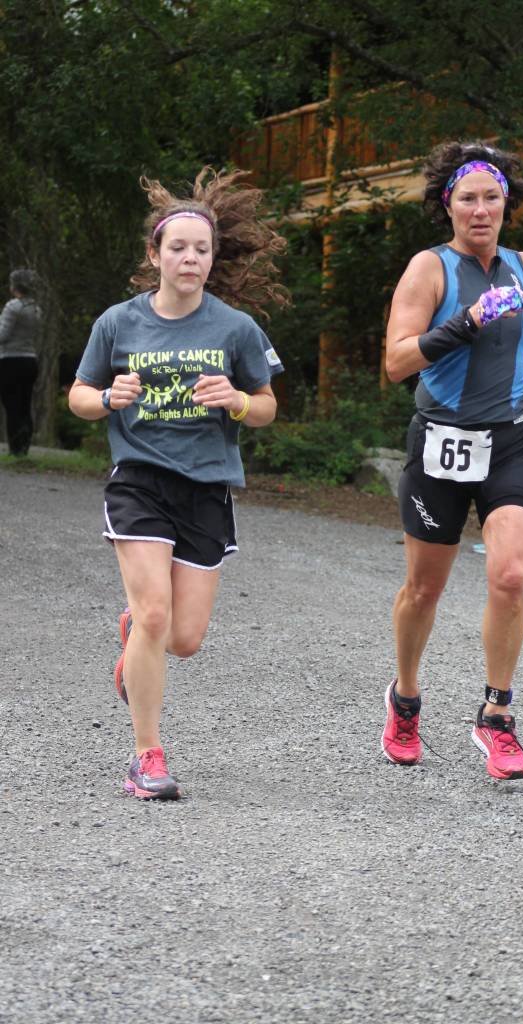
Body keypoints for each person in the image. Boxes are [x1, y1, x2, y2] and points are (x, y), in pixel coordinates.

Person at [69, 168, 287, 799]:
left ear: (213, 258)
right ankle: (147, 755)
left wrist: (238, 401)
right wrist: (109, 395)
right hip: (138, 481)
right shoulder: (118, 322)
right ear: (155, 255)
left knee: (183, 639)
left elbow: (269, 405)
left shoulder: (236, 329)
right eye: (178, 247)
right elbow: (79, 395)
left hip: (207, 488)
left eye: (202, 248)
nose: (190, 258)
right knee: (157, 614)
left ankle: (138, 636)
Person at [381, 140, 523, 779]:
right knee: (424, 588)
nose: (481, 209)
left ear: (507, 206)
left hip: (510, 439)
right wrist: (464, 321)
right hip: (440, 440)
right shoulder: (428, 269)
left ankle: (496, 717)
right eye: (468, 198)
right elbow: (396, 361)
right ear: (449, 206)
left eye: (492, 198)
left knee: (511, 576)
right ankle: (406, 697)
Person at [0, 269, 42, 456]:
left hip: (11, 361)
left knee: (12, 405)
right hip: (30, 360)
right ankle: (24, 446)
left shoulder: (13, 307)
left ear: (14, 286)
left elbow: (3, 335)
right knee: (25, 405)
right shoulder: (35, 308)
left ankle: (15, 448)